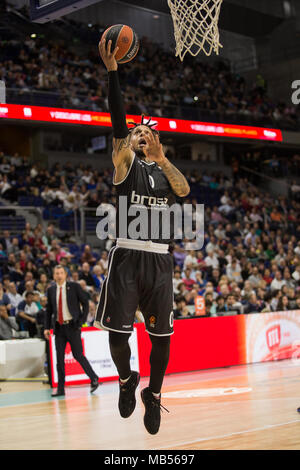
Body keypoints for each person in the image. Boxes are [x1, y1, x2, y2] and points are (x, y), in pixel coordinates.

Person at [94, 38, 190, 435]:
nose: (139, 135)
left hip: (160, 258)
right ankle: (125, 379)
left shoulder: (163, 171)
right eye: (135, 133)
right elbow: (119, 124)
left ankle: (154, 393)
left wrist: (164, 158)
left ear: (155, 142)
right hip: (128, 254)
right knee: (118, 333)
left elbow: (184, 191)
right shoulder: (124, 163)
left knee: (162, 336)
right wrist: (113, 71)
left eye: (145, 133)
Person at [44, 265, 100, 397]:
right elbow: (49, 311)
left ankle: (94, 378)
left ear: (65, 274)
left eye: (61, 273)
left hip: (73, 327)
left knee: (78, 355)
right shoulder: (51, 290)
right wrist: (47, 327)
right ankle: (61, 388)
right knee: (59, 359)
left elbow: (85, 303)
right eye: (56, 273)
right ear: (54, 275)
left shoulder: (74, 287)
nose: (59, 275)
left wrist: (81, 321)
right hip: (59, 328)